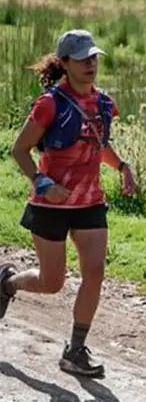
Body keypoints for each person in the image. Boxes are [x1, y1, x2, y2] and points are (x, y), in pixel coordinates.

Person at [0, 29, 137, 378]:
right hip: (50, 206)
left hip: (90, 202)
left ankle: (75, 350)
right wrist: (42, 182)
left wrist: (122, 166)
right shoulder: (50, 103)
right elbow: (19, 150)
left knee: (95, 273)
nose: (91, 64)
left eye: (93, 57)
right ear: (64, 63)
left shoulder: (104, 102)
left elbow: (97, 144)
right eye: (82, 59)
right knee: (52, 282)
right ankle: (8, 283)